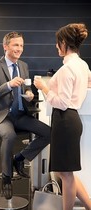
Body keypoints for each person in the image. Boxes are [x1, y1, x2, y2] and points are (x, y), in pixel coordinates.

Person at [0, 31, 50, 200]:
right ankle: (7, 179)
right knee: (9, 135)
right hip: (2, 115)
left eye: (21, 45)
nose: (19, 49)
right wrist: (8, 85)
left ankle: (19, 158)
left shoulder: (23, 65)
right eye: (16, 45)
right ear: (5, 46)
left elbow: (27, 87)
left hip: (20, 114)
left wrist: (29, 93)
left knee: (48, 133)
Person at [34, 23, 91, 210]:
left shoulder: (68, 69)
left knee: (65, 174)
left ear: (64, 43)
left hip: (65, 120)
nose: (56, 46)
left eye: (58, 43)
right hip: (70, 121)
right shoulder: (82, 65)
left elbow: (62, 102)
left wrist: (44, 88)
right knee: (64, 172)